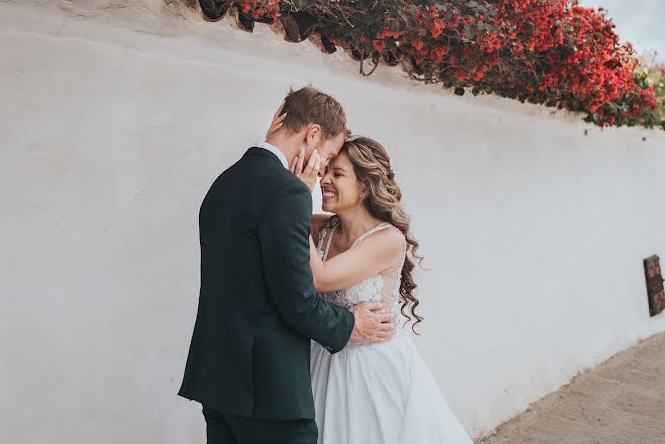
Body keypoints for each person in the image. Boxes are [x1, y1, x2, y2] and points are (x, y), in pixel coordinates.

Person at [178, 86, 397, 444]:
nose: (323, 170)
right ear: (312, 134)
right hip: (267, 390)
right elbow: (298, 300)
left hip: (216, 378)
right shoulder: (287, 192)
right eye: (326, 157)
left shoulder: (225, 181)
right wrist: (352, 325)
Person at [271, 111, 476, 443]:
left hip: (369, 369)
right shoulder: (321, 228)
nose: (324, 180)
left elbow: (319, 278)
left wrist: (298, 193)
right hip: (321, 358)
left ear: (364, 186)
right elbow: (279, 220)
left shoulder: (387, 240)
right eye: (325, 172)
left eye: (337, 174)